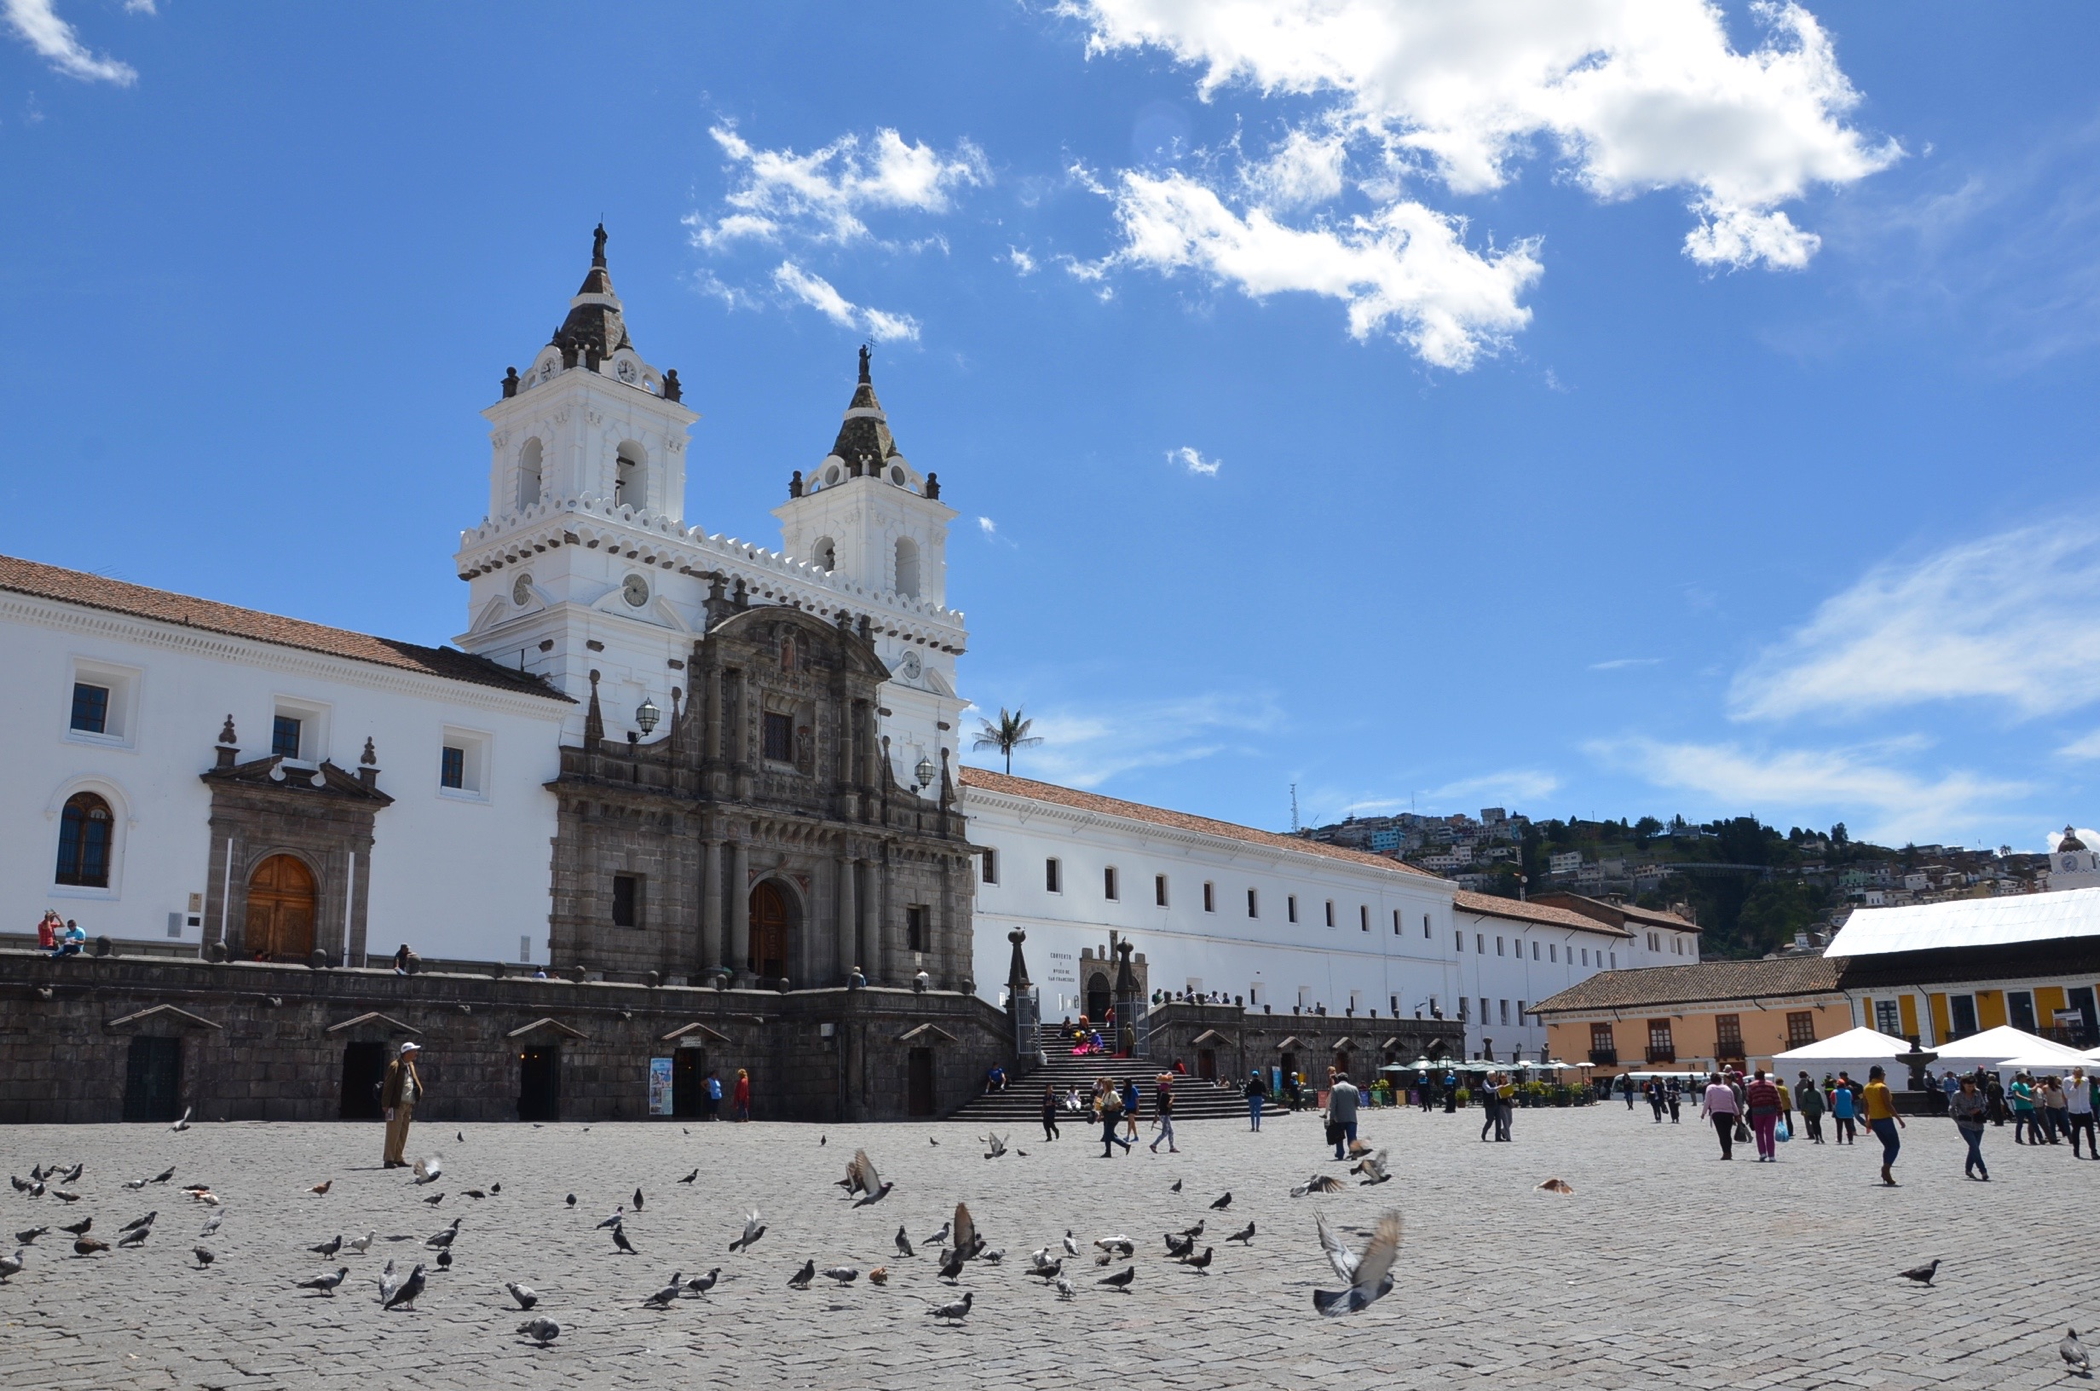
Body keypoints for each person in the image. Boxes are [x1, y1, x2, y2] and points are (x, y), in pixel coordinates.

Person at [379, 1042, 424, 1168]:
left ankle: (398, 1157)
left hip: (408, 1104)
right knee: (393, 1132)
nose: (416, 1053)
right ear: (407, 1052)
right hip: (396, 1105)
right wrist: (386, 1104)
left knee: (403, 1132)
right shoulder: (395, 1066)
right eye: (414, 1051)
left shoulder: (410, 1065)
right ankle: (389, 1159)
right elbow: (388, 1086)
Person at [1863, 1065, 1905, 1186]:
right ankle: (1886, 1168)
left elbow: (1865, 1106)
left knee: (1887, 1146)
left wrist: (1867, 1120)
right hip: (1885, 1119)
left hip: (1874, 1120)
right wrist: (1899, 1119)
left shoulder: (1867, 1087)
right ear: (1880, 1074)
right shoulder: (1882, 1087)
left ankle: (1887, 1172)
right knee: (1895, 1145)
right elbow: (1888, 1105)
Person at [1950, 1073, 1989, 1180]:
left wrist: (1979, 1109)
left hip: (1978, 1124)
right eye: (1968, 1086)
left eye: (1972, 1086)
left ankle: (1968, 1169)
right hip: (1964, 1124)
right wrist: (1957, 1120)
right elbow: (1951, 1109)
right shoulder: (1957, 1095)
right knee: (1974, 1147)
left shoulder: (1978, 1092)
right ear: (1963, 1084)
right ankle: (1983, 1171)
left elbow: (1984, 1104)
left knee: (1974, 1148)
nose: (1971, 1088)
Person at [1745, 1069, 1782, 1162]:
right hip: (1770, 1111)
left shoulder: (1751, 1086)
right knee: (1769, 1133)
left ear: (1755, 1076)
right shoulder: (1771, 1085)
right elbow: (1777, 1099)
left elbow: (1748, 1099)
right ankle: (1772, 1155)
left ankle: (1762, 1153)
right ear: (1764, 1076)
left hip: (1757, 1111)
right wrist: (1780, 1113)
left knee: (1759, 1133)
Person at [1701, 1072, 1740, 1160]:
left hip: (1717, 1113)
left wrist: (1703, 1113)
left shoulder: (1710, 1088)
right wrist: (1737, 1114)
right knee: (1727, 1133)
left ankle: (1725, 1153)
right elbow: (1733, 1102)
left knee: (1722, 1134)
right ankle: (1729, 1152)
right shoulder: (1727, 1088)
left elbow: (1707, 1101)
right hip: (1729, 1113)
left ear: (1711, 1080)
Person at [1327, 1071, 1361, 1160]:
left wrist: (1331, 1117)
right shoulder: (1354, 1088)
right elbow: (1358, 1102)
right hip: (1351, 1117)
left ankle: (1340, 1153)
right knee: (1352, 1137)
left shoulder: (1335, 1088)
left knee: (1339, 1137)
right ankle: (1354, 1153)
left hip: (1339, 1118)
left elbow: (1333, 1104)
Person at [2067, 1067, 2097, 1158]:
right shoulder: (2067, 1080)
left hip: (2085, 1109)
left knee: (2090, 1132)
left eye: (2081, 1073)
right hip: (2074, 1110)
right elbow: (2067, 1095)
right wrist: (2074, 1086)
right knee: (2076, 1131)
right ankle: (2076, 1150)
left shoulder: (2086, 1080)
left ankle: (2093, 1151)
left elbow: (2087, 1093)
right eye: (2077, 1074)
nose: (2079, 1075)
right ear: (2073, 1073)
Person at [1096, 1079, 1129, 1157]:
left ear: (1108, 1085)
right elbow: (1102, 1105)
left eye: (1104, 1085)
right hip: (1107, 1115)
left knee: (1108, 1135)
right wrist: (1100, 1116)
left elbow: (1119, 1103)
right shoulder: (1104, 1094)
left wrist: (1112, 1107)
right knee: (1109, 1135)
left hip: (1113, 1116)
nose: (1103, 1086)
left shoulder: (1113, 1093)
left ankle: (1109, 1152)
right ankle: (1124, 1145)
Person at [1150, 1072, 1178, 1153]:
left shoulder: (1160, 1095)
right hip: (1165, 1115)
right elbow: (1168, 1105)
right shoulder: (1166, 1095)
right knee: (1165, 1132)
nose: (1170, 1088)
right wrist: (1172, 1098)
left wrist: (1155, 1116)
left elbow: (1157, 1106)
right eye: (1168, 1087)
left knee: (1170, 1131)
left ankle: (1172, 1147)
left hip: (1162, 1115)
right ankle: (1154, 1144)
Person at [2040, 1075, 2070, 1146]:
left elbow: (2063, 1097)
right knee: (2052, 1124)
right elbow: (2042, 1096)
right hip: (2051, 1107)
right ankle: (2053, 1138)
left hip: (2061, 1107)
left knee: (2066, 1122)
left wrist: (2066, 1105)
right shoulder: (2046, 1087)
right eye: (2055, 1080)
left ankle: (2070, 1137)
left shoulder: (2060, 1087)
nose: (2057, 1081)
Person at [1797, 1072, 1826, 1143]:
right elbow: (1821, 1101)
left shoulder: (1805, 1092)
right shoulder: (1817, 1091)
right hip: (1817, 1109)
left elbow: (1803, 1102)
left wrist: (1802, 1110)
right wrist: (1823, 1108)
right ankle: (1821, 1137)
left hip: (1810, 1109)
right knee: (1818, 1124)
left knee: (1813, 1124)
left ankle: (1816, 1138)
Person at [2009, 1072, 2037, 1144]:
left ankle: (2039, 1138)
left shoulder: (2025, 1085)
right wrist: (2026, 1099)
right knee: (2020, 1123)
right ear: (2021, 1078)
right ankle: (2018, 1138)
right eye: (2025, 1077)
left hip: (2029, 1107)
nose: (2026, 1078)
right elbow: (2017, 1094)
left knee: (2034, 1122)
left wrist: (2037, 1085)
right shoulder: (2015, 1085)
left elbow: (2030, 1090)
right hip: (2020, 1108)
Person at [1831, 1073, 1858, 1145]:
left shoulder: (1834, 1092)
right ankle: (1850, 1140)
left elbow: (1833, 1101)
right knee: (1848, 1127)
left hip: (1839, 1111)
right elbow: (1851, 1099)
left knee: (1839, 1127)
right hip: (1848, 1111)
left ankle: (1839, 1139)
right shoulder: (1849, 1092)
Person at [1121, 1078, 1142, 1143]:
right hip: (1127, 1107)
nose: (1123, 1083)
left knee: (1130, 1122)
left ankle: (1127, 1136)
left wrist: (1137, 1108)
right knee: (1132, 1122)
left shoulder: (1133, 1089)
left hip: (1133, 1107)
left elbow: (1137, 1099)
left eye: (1124, 1082)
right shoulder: (1125, 1090)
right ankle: (1136, 1136)